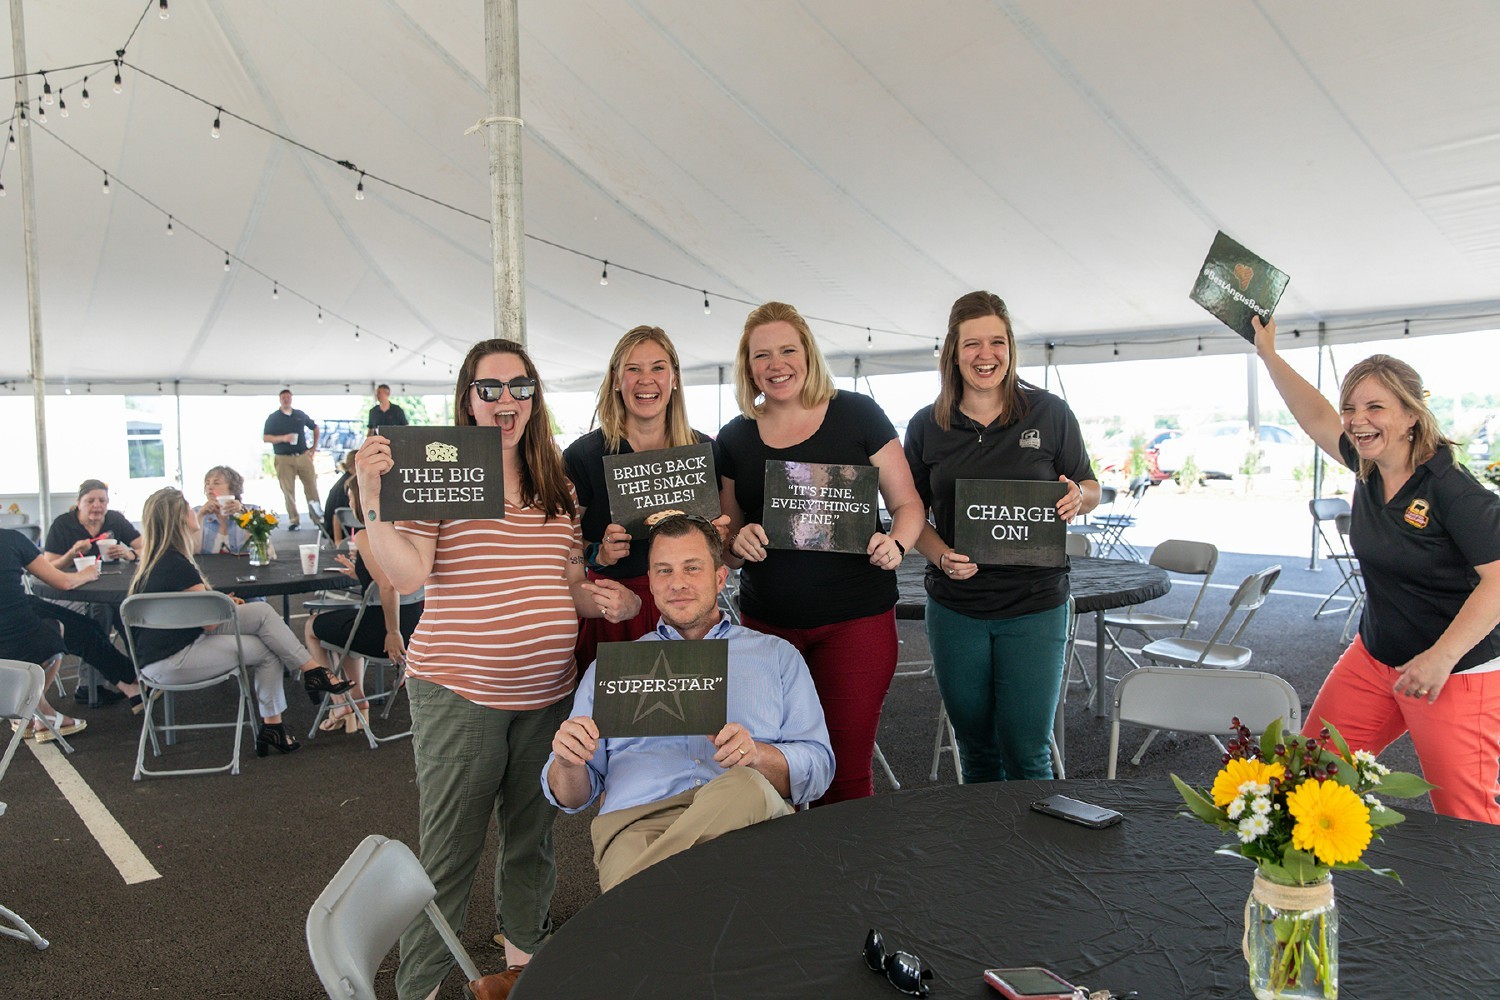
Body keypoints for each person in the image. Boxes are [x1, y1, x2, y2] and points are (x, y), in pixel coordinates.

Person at [356, 338, 642, 1000]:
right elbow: (408, 573)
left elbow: (564, 579)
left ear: (535, 398)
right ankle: (421, 986)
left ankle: (525, 964)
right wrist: (373, 498)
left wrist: (597, 595)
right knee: (450, 851)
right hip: (460, 690)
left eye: (520, 387)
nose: (506, 400)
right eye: (491, 388)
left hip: (545, 693)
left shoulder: (558, 483)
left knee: (531, 839)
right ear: (468, 399)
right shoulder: (446, 468)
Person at [1255, 315, 1500, 823]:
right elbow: (1315, 416)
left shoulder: (1452, 488)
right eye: (1351, 407)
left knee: (1464, 817)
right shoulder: (1368, 464)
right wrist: (1270, 356)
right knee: (1308, 777)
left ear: (1411, 415)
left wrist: (1441, 657)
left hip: (1454, 670)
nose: (1356, 419)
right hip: (1376, 657)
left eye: (1375, 407)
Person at [544, 514, 832, 892]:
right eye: (663, 571)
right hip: (636, 827)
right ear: (649, 582)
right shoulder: (611, 669)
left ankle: (633, 902)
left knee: (745, 785)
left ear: (719, 577)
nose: (677, 583)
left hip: (747, 820)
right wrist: (567, 762)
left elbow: (820, 769)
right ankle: (648, 899)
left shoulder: (776, 656)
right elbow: (572, 797)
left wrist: (758, 755)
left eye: (691, 568)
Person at [716, 301, 925, 806]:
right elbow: (727, 533)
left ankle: (849, 883)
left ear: (808, 354)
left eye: (788, 350)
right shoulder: (734, 437)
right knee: (768, 770)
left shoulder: (857, 413)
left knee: (846, 773)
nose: (776, 364)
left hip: (856, 622)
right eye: (761, 355)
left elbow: (908, 503)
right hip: (768, 629)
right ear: (748, 366)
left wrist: (896, 543)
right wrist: (736, 544)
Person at [904, 290, 1099, 784]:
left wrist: (1080, 495)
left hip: (1035, 606)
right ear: (953, 350)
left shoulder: (1049, 412)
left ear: (1011, 347)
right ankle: (986, 857)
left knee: (1028, 751)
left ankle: (1036, 861)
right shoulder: (927, 426)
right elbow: (909, 515)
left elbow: (1090, 485)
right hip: (956, 609)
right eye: (972, 344)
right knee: (975, 752)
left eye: (996, 342)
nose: (985, 355)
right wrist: (943, 555)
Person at [126, 487, 352, 757]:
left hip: (157, 660)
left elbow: (201, 613)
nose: (193, 510)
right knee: (264, 615)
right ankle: (312, 672)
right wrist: (223, 605)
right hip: (175, 660)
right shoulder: (176, 565)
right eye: (187, 507)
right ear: (177, 518)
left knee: (267, 644)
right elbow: (211, 622)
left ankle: (275, 725)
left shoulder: (155, 564)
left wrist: (222, 603)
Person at [563, 325, 724, 672]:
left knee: (694, 716)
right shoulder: (584, 455)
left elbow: (722, 541)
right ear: (616, 380)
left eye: (658, 367)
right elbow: (568, 546)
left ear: (675, 378)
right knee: (613, 719)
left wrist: (722, 536)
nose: (645, 380)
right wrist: (597, 554)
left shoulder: (703, 450)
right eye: (633, 369)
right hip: (616, 610)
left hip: (687, 604)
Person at [304, 476, 424, 733]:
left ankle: (340, 702)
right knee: (346, 624)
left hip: (387, 636)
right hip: (417, 629)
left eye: (350, 497)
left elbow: (388, 584)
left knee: (313, 626)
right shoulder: (409, 529)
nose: (348, 502)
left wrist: (393, 633)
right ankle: (357, 699)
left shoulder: (367, 535)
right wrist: (359, 573)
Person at [0, 527, 143, 739]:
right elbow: (63, 581)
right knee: (61, 632)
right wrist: (87, 573)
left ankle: (129, 683)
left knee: (86, 627)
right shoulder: (11, 539)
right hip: (16, 632)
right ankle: (34, 713)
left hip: (17, 609)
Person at [262, 388, 320, 530]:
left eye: (288, 397)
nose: (286, 399)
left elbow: (315, 427)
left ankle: (318, 518)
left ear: (291, 398)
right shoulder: (273, 417)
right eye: (283, 397)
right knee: (288, 490)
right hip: (283, 457)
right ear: (280, 399)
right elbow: (266, 437)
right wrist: (283, 438)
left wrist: (313, 448)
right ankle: (294, 520)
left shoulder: (299, 415)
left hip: (302, 455)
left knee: (311, 487)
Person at [45, 479, 140, 563]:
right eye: (90, 501)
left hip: (113, 579)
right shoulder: (62, 524)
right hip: (74, 580)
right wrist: (71, 554)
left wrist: (131, 554)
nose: (97, 505)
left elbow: (149, 549)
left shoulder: (115, 520)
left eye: (102, 501)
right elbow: (49, 566)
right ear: (78, 503)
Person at [195, 466, 254, 554]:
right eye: (207, 483)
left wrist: (243, 515)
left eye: (216, 483)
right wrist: (200, 516)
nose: (209, 487)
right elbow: (193, 552)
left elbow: (259, 548)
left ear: (232, 487)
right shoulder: (196, 513)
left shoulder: (251, 511)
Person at [321, 451, 358, 546]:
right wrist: (338, 541)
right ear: (355, 464)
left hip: (335, 529)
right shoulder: (350, 485)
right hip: (340, 532)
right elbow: (337, 514)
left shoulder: (344, 480)